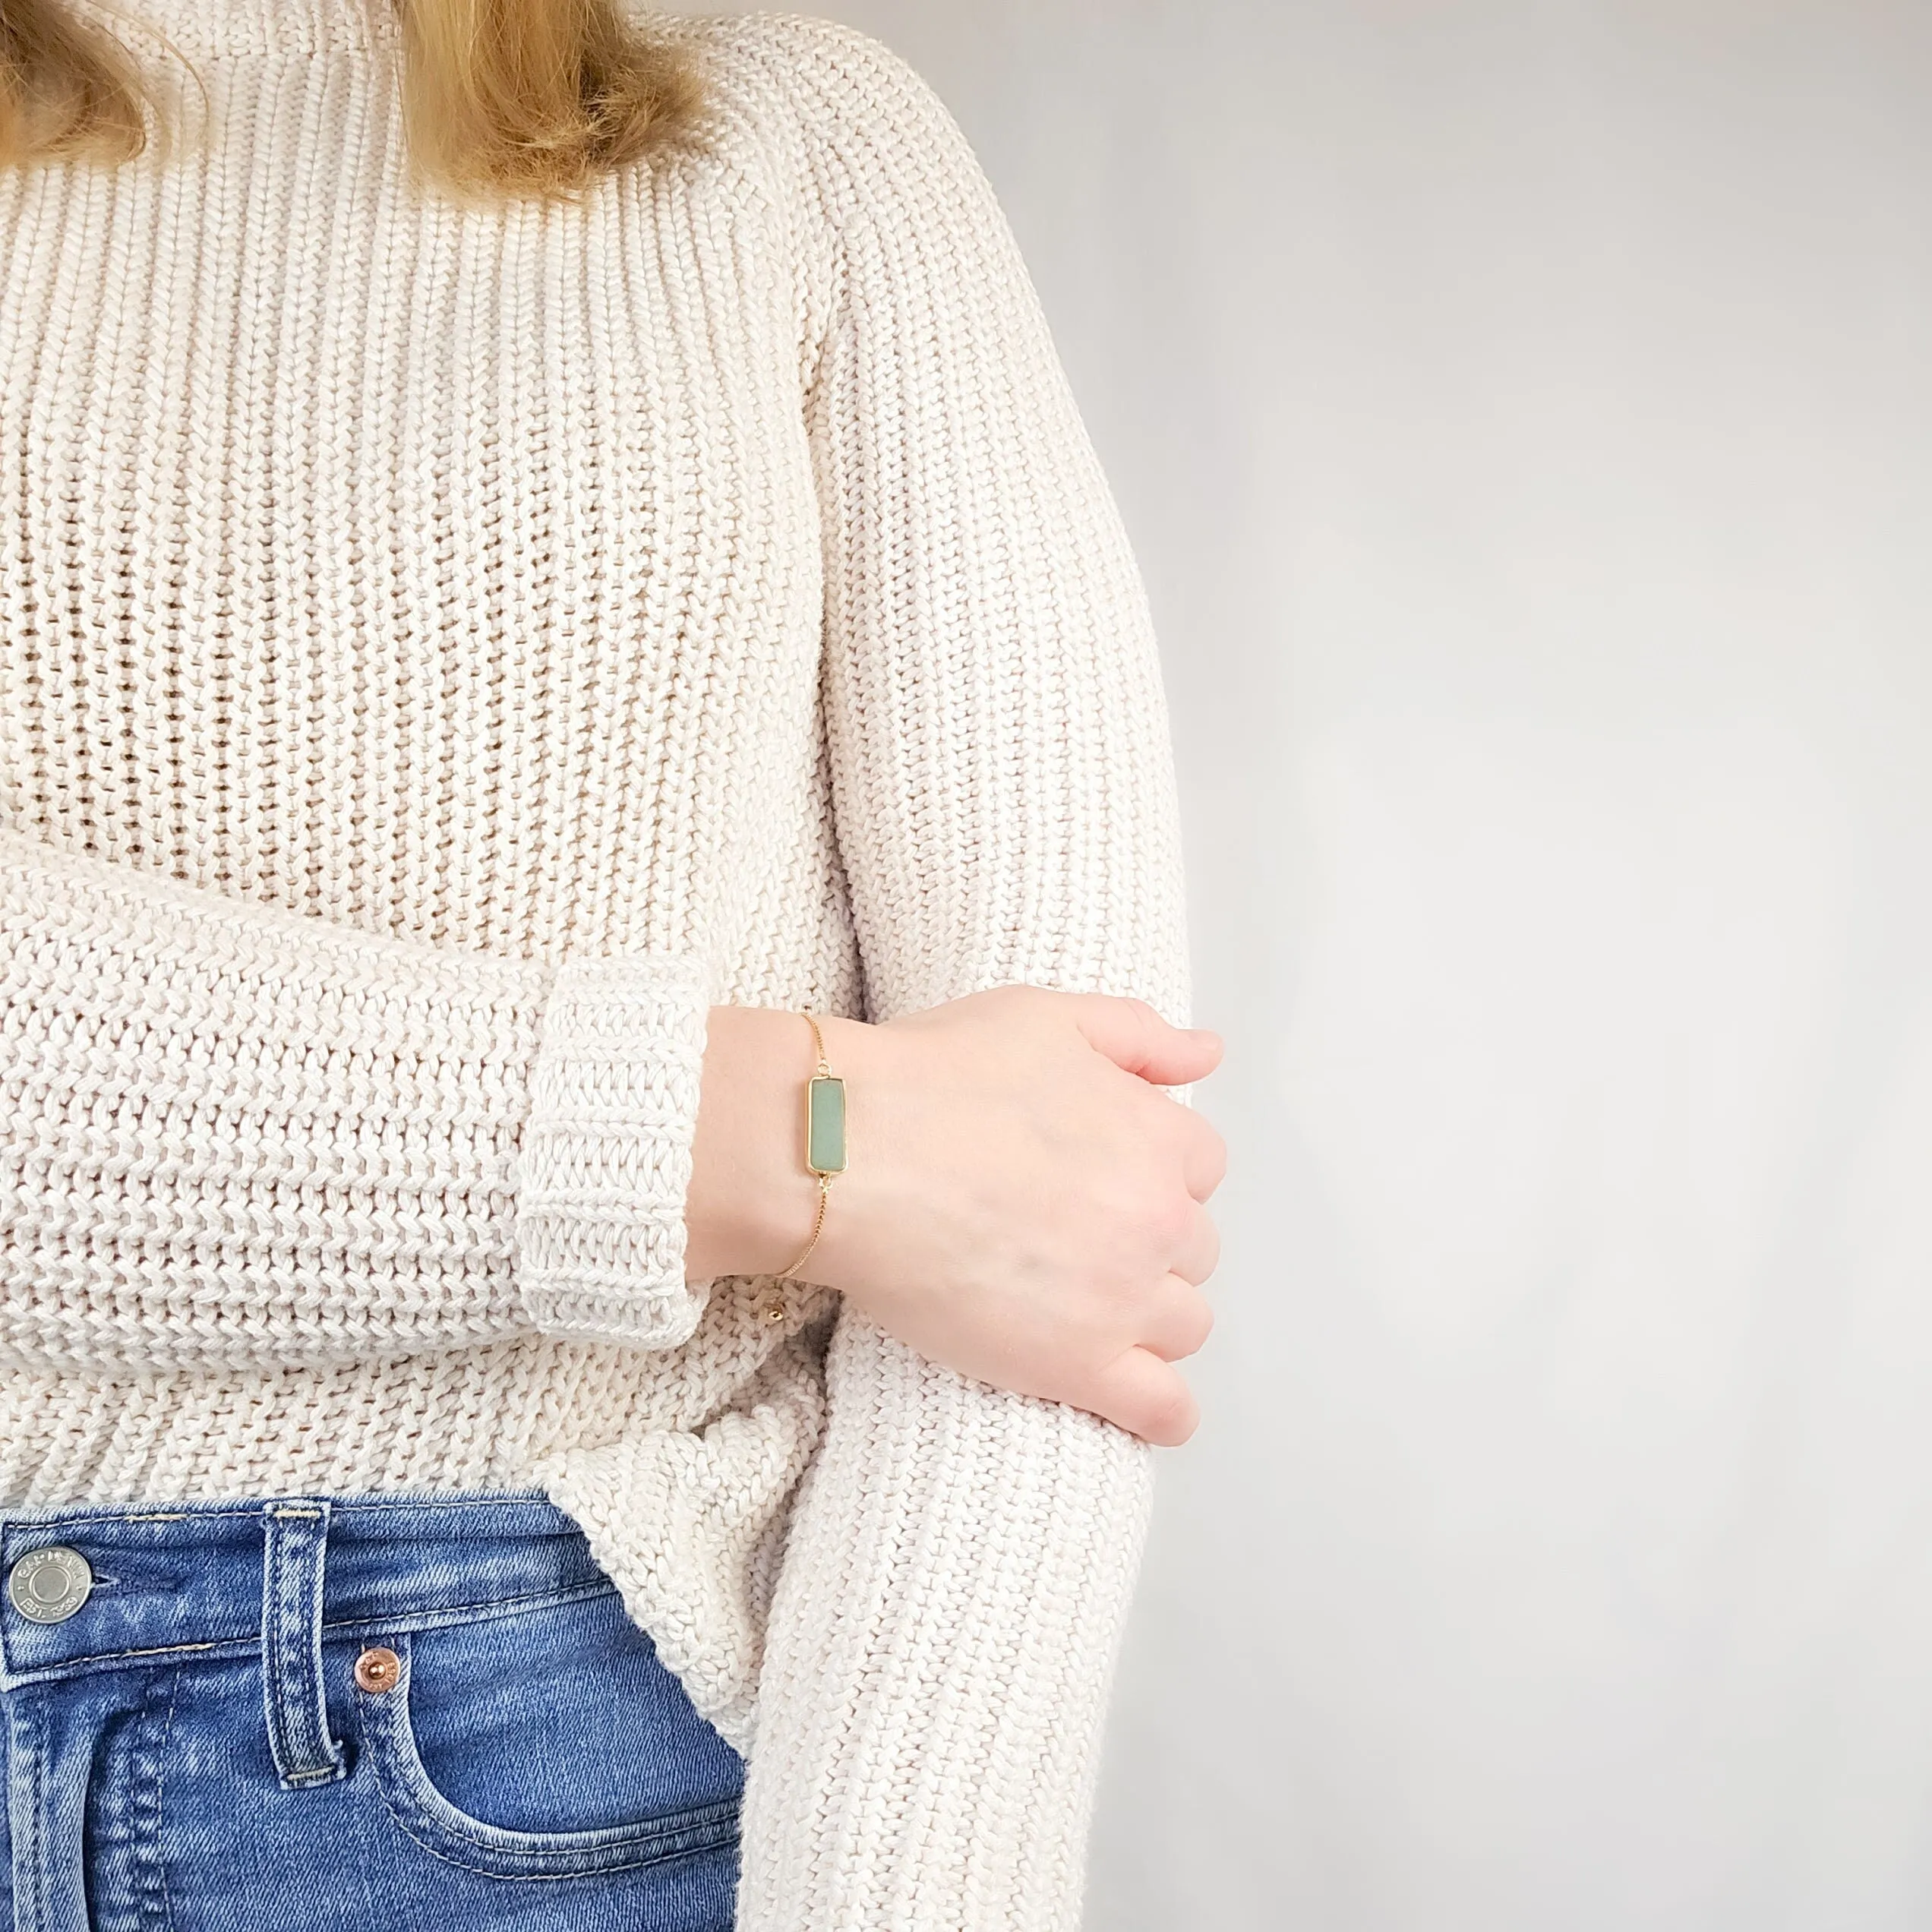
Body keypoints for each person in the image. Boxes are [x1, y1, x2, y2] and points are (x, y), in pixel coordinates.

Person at [0, 0, 1226, 1925]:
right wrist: (770, 1140)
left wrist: (910, 1887)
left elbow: (1048, 1194)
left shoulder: (802, 150)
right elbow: (946, 1175)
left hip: (527, 1741)